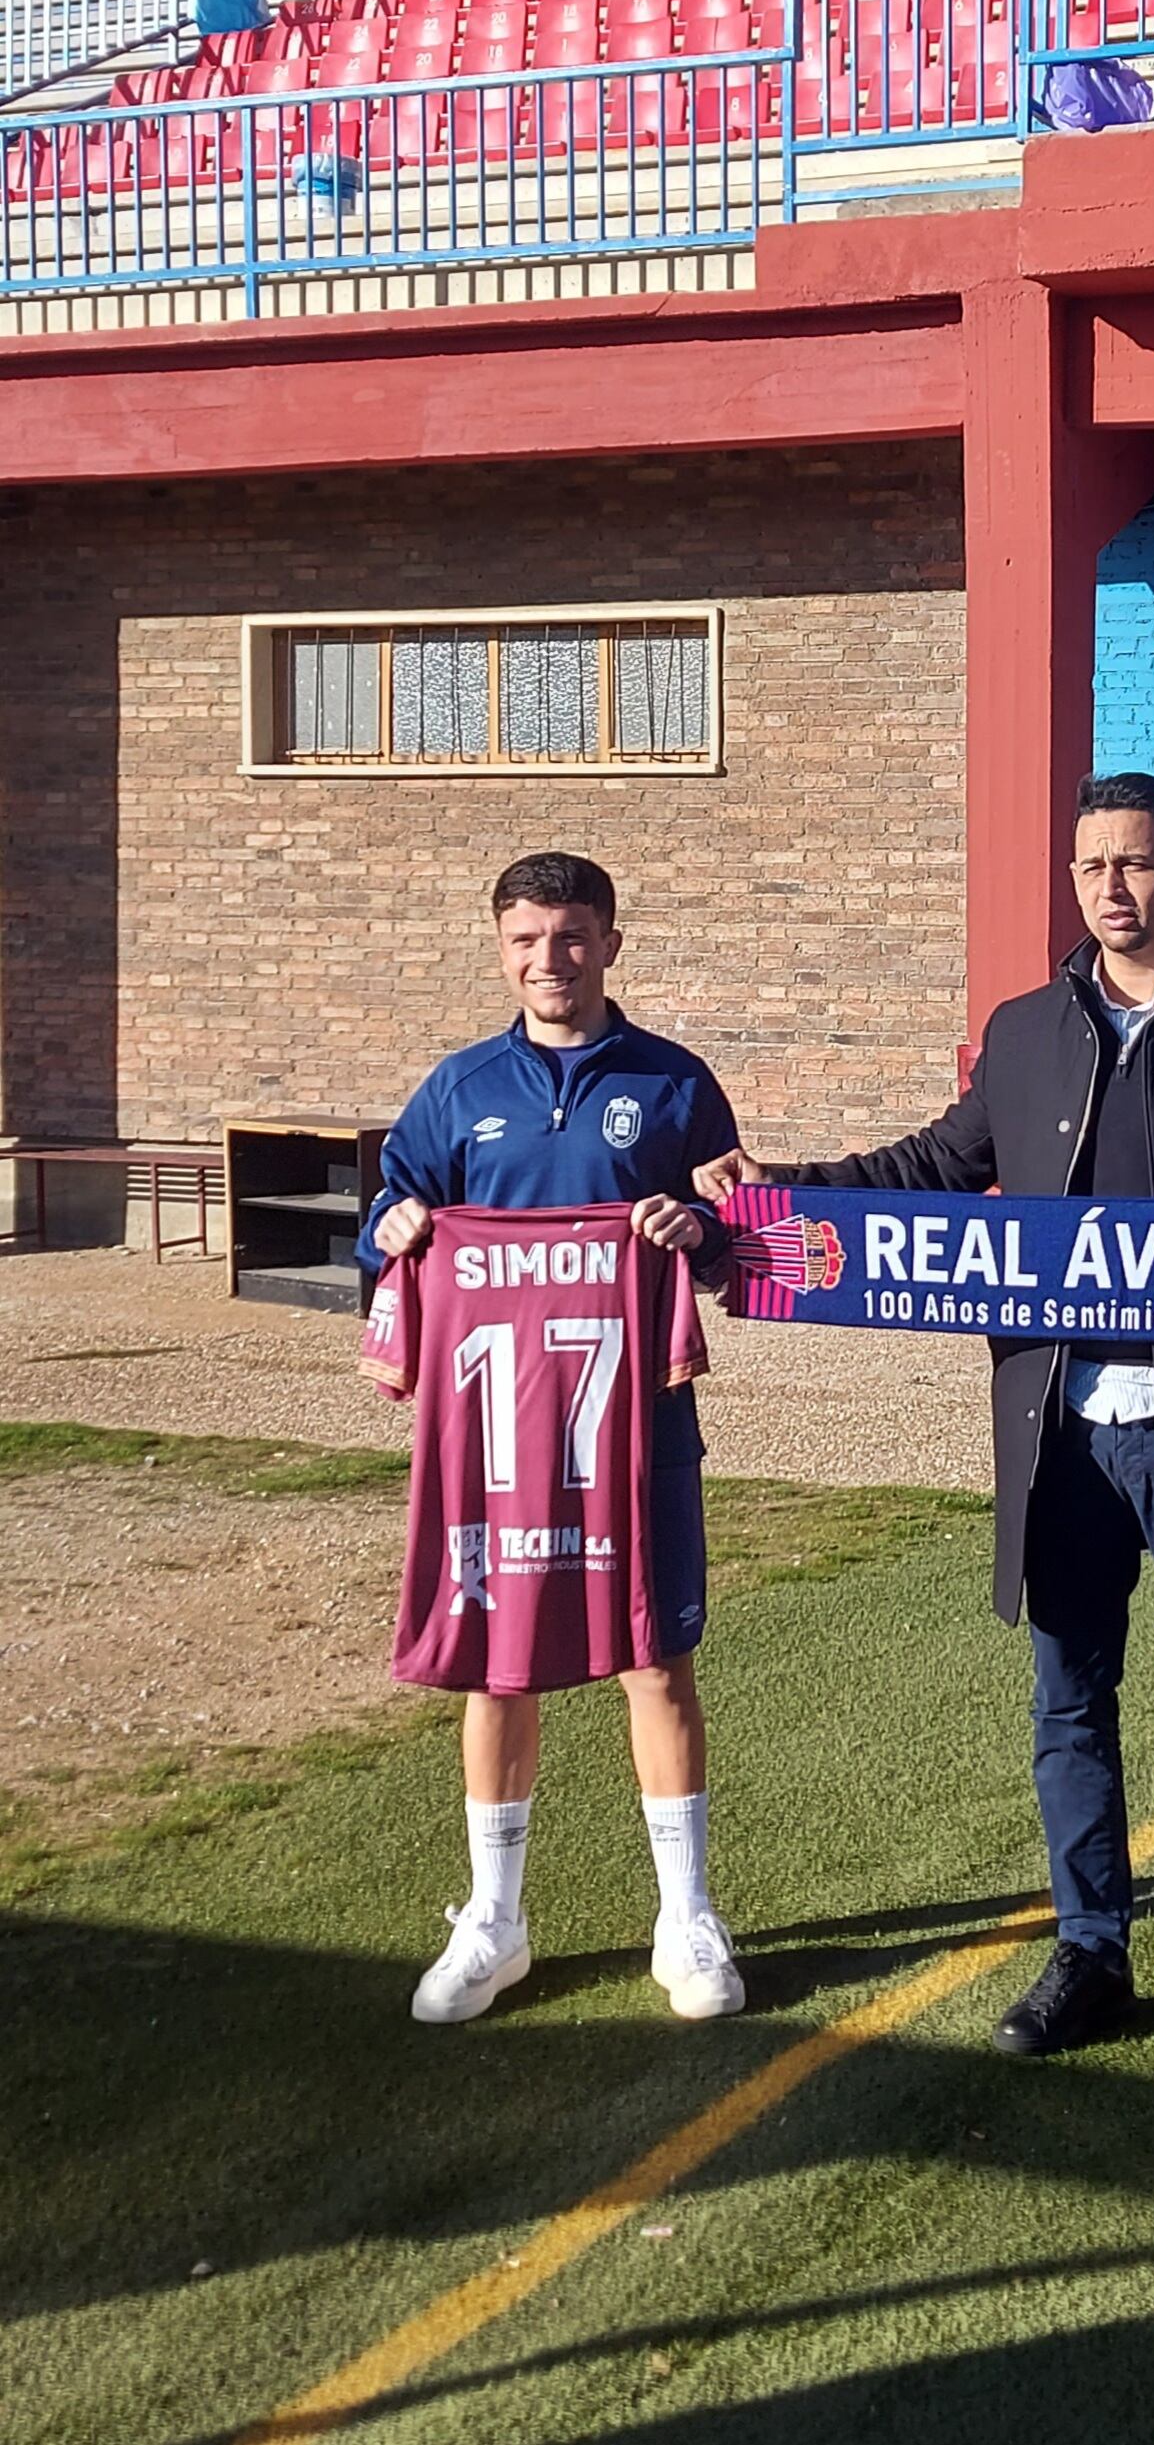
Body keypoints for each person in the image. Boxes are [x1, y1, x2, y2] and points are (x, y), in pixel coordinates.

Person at [695, 772, 1154, 2091]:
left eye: (1140, 863)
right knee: (1067, 1701)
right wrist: (787, 1187)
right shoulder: (1024, 1028)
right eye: (1092, 865)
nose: (1114, 886)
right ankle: (1092, 1951)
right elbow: (935, 1164)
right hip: (1061, 1429)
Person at [362, 852, 746, 2028]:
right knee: (496, 1658)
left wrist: (700, 1229)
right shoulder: (456, 1087)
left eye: (572, 936)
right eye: (527, 939)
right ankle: (495, 1917)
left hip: (640, 1427)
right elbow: (379, 1223)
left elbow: (742, 1245)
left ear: (611, 942)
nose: (550, 959)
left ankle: (684, 1912)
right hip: (492, 1441)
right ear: (500, 948)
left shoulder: (676, 1085)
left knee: (654, 1654)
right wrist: (403, 1223)